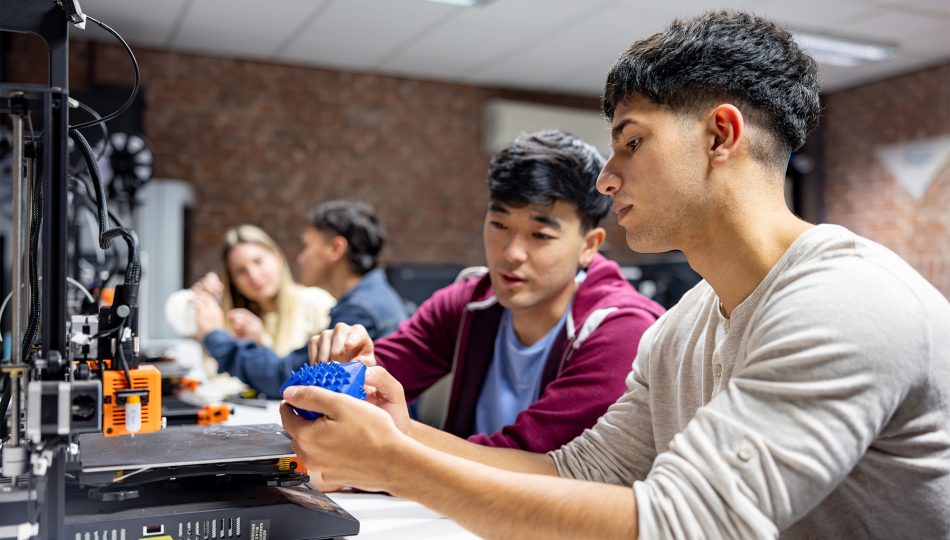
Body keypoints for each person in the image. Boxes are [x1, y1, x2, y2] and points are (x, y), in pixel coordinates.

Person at [280, 11, 950, 539]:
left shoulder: (845, 302)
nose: (607, 176)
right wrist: (401, 435)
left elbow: (686, 525)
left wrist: (396, 463)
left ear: (720, 136)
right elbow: (581, 472)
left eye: (632, 142)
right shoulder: (684, 326)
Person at [309, 129, 664, 453]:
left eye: (540, 235)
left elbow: (534, 459)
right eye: (499, 224)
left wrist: (394, 444)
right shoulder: (469, 302)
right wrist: (350, 370)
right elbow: (378, 373)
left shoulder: (622, 331)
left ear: (589, 245)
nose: (511, 254)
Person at [204, 200, 408, 397]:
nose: (301, 258)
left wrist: (213, 335)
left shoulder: (359, 310)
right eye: (240, 271)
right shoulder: (370, 298)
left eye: (307, 246)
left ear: (335, 248)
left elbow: (287, 378)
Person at [190, 224, 335, 358]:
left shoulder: (316, 303)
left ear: (278, 258)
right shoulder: (236, 322)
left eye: (258, 261)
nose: (253, 276)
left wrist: (258, 348)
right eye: (241, 271)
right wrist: (207, 308)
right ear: (232, 281)